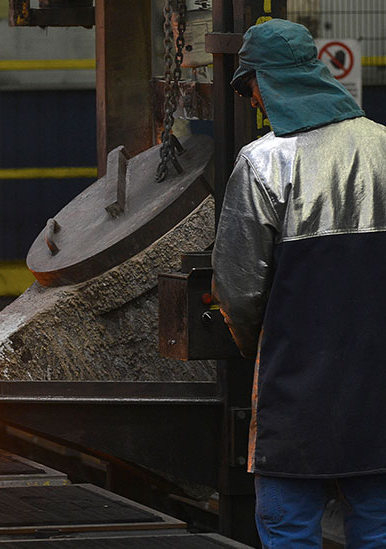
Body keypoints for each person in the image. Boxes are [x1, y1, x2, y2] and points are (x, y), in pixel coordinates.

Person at [211, 18, 386, 548]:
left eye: (251, 87)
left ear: (270, 81)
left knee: (289, 527)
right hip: (378, 378)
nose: (253, 102)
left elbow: (238, 288)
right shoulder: (384, 145)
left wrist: (251, 345)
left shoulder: (264, 162)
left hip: (295, 382)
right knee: (377, 524)